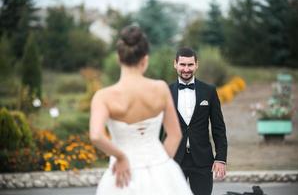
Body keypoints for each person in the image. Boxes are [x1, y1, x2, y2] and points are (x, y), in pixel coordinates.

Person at [89, 26, 193, 195]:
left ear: (118, 58)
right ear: (145, 59)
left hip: (123, 176)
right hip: (161, 169)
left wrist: (121, 157)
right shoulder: (160, 89)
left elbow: (96, 135)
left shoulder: (104, 97)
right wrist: (160, 166)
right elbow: (175, 135)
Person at [169, 47, 228, 195]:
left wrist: (220, 158)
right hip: (174, 160)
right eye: (182, 64)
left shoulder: (209, 91)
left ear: (197, 65)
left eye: (190, 65)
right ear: (175, 64)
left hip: (202, 160)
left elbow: (218, 127)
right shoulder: (165, 92)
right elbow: (159, 128)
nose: (186, 69)